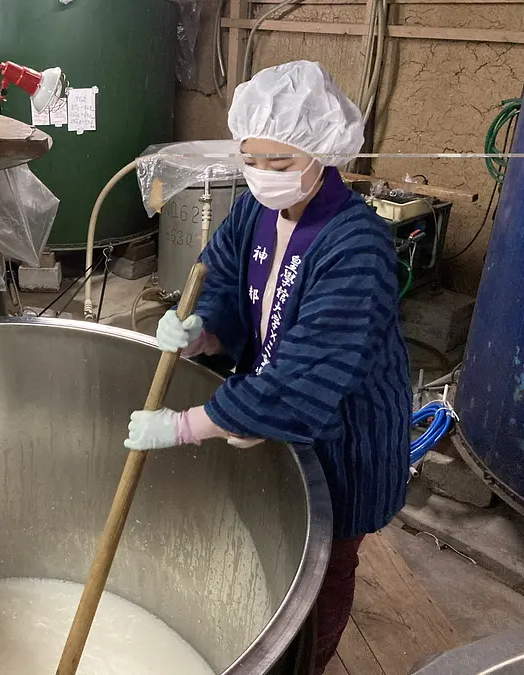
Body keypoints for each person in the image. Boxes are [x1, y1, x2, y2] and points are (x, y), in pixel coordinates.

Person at [124, 60, 411, 674]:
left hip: (343, 435)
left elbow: (307, 377)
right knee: (280, 540)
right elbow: (221, 278)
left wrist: (184, 426)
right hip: (268, 410)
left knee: (327, 563)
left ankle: (311, 661)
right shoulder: (255, 213)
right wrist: (203, 329)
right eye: (251, 160)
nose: (262, 176)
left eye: (279, 164)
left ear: (321, 154)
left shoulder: (357, 245)